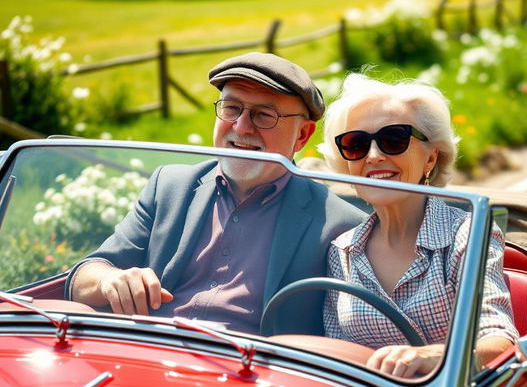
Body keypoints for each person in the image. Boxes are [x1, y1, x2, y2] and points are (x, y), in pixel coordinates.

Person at [65, 52, 364, 335]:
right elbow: (84, 276)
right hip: (152, 356)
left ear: (302, 135)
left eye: (264, 115)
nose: (242, 127)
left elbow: (351, 334)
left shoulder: (341, 225)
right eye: (232, 108)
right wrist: (109, 280)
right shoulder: (170, 186)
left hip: (258, 375)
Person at [321, 73, 518, 378]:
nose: (373, 156)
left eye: (393, 139)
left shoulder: (468, 234)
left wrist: (433, 356)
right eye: (355, 144)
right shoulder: (341, 250)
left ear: (430, 158)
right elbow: (336, 354)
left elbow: (500, 342)